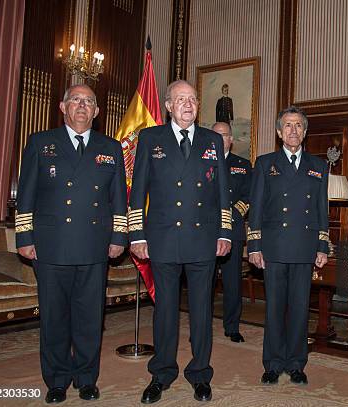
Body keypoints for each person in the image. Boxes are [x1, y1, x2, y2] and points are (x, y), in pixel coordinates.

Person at [15, 84, 127, 404]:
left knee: (90, 316)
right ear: (63, 107)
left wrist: (119, 237)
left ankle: (87, 377)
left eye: (89, 101)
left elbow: (118, 197)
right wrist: (25, 237)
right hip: (51, 244)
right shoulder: (41, 142)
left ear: (97, 111)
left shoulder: (111, 147)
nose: (82, 106)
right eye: (76, 100)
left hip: (94, 244)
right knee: (54, 316)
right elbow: (26, 195)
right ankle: (57, 379)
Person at [129, 80, 232, 403]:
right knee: (165, 312)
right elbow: (138, 191)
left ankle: (200, 373)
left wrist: (225, 232)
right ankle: (162, 373)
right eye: (180, 99)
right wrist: (137, 234)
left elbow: (222, 193)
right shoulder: (150, 138)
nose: (188, 105)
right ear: (168, 106)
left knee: (201, 311)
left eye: (192, 100)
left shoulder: (212, 140)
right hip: (162, 237)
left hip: (203, 238)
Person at [248, 106, 329, 386]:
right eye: (288, 126)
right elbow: (256, 207)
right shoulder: (264, 163)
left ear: (305, 133)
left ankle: (296, 363)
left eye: (298, 126)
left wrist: (322, 246)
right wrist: (254, 245)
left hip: (304, 247)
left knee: (299, 308)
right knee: (274, 307)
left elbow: (321, 210)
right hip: (274, 247)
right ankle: (272, 363)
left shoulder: (319, 167)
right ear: (279, 132)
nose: (293, 131)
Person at [212, 121, 252, 343]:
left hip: (233, 230)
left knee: (232, 282)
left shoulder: (243, 165)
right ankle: (202, 326)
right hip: (205, 231)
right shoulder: (202, 162)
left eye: (223, 135)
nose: (219, 139)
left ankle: (232, 326)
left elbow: (248, 197)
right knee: (204, 283)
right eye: (215, 135)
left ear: (231, 140)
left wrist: (229, 215)